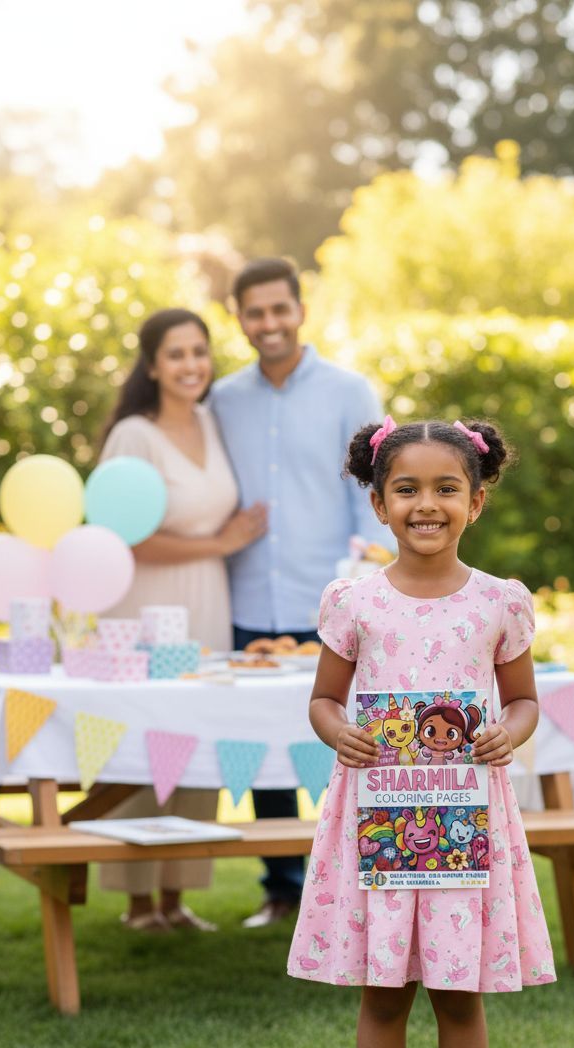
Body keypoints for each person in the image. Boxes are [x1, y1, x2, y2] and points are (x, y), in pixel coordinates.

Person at [287, 416, 556, 1048]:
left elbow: (525, 700)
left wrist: (510, 731)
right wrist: (342, 733)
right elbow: (325, 699)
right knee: (382, 990)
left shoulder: (497, 604)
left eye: (445, 489)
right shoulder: (356, 601)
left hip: (464, 825)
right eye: (407, 489)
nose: (426, 504)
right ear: (378, 503)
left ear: (476, 501)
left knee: (457, 990)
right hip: (379, 819)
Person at [210, 258, 384, 928]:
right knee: (264, 749)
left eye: (279, 309)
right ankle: (284, 889)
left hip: (335, 603)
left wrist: (367, 584)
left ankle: (357, 888)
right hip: (250, 600)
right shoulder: (223, 399)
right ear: (241, 320)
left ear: (300, 311)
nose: (269, 323)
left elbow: (372, 493)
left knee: (352, 744)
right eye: (255, 313)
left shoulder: (348, 390)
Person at [97, 308, 267, 931]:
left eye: (199, 351)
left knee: (193, 738)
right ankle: (137, 901)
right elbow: (123, 537)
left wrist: (222, 549)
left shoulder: (211, 421)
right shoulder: (134, 436)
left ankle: (176, 895)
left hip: (206, 601)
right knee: (145, 743)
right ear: (151, 365)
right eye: (176, 354)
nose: (191, 364)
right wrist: (218, 545)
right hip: (145, 602)